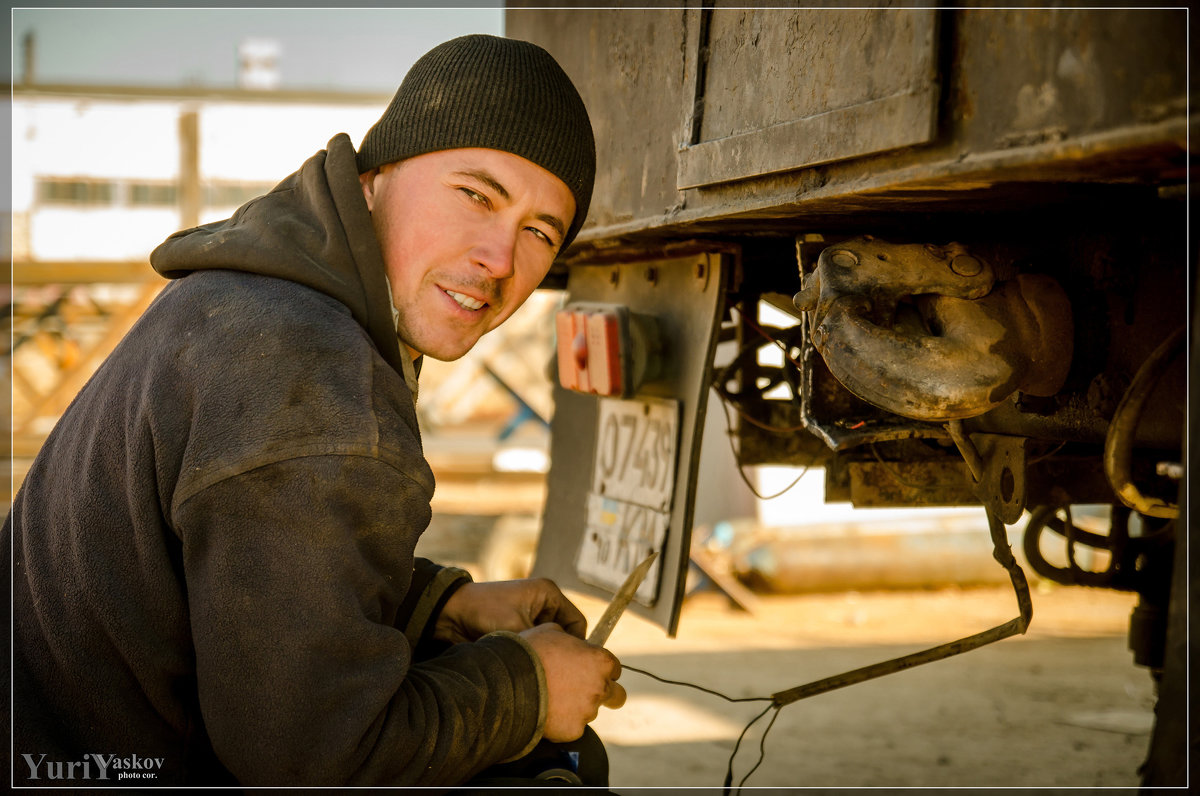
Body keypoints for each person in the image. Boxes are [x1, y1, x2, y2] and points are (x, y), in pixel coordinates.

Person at [5, 34, 626, 788]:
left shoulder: (260, 302)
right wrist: (527, 688)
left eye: (538, 233)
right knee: (548, 767)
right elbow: (313, 759)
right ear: (373, 180)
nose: (499, 258)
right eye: (475, 195)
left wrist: (442, 605)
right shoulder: (316, 385)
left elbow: (245, 568)